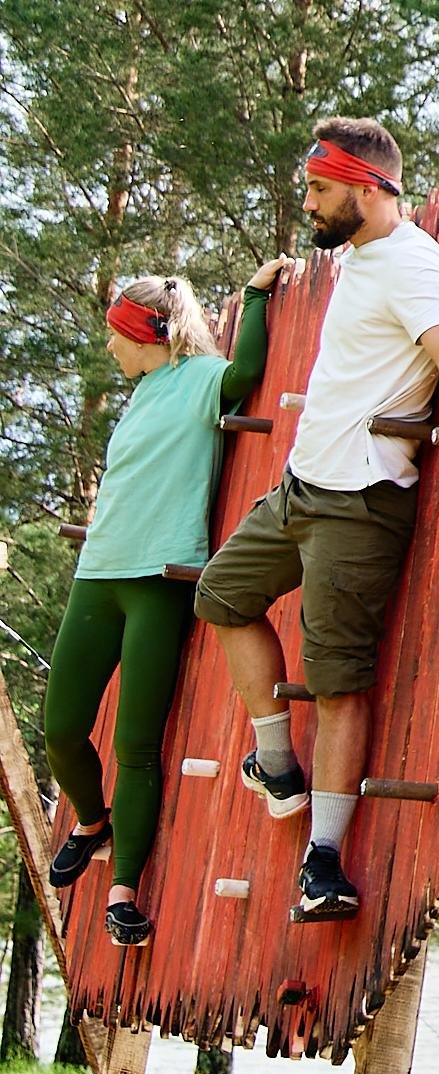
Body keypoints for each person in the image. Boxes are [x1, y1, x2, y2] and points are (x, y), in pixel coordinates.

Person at [193, 121, 439, 921]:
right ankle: (275, 762)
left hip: (360, 501)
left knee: (337, 683)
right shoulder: (359, 257)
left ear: (367, 187)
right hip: (301, 486)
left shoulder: (413, 264)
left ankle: (322, 862)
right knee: (222, 596)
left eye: (320, 189)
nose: (309, 203)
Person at [43, 264, 282, 948]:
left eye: (114, 338)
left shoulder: (202, 378)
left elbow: (247, 372)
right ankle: (92, 823)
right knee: (61, 728)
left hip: (162, 579)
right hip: (100, 574)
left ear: (142, 334)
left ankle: (124, 892)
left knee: (134, 745)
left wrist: (259, 297)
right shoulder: (140, 392)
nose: (109, 351)